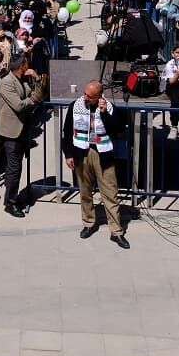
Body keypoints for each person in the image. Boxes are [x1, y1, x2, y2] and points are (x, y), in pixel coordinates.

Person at [60, 80, 128, 249]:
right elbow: (67, 131)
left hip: (103, 155)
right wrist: (68, 154)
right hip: (82, 153)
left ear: (99, 97)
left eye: (89, 96)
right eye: (84, 94)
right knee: (85, 191)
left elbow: (117, 130)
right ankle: (89, 223)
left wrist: (104, 114)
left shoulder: (110, 108)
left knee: (110, 193)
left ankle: (116, 232)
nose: (85, 98)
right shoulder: (75, 106)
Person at [0, 48, 43, 218]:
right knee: (14, 168)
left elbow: (37, 95)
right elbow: (19, 105)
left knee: (15, 168)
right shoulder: (7, 82)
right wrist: (34, 99)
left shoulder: (21, 80)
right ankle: (10, 203)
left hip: (22, 130)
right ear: (22, 66)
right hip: (11, 132)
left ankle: (12, 196)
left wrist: (36, 80)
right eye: (26, 63)